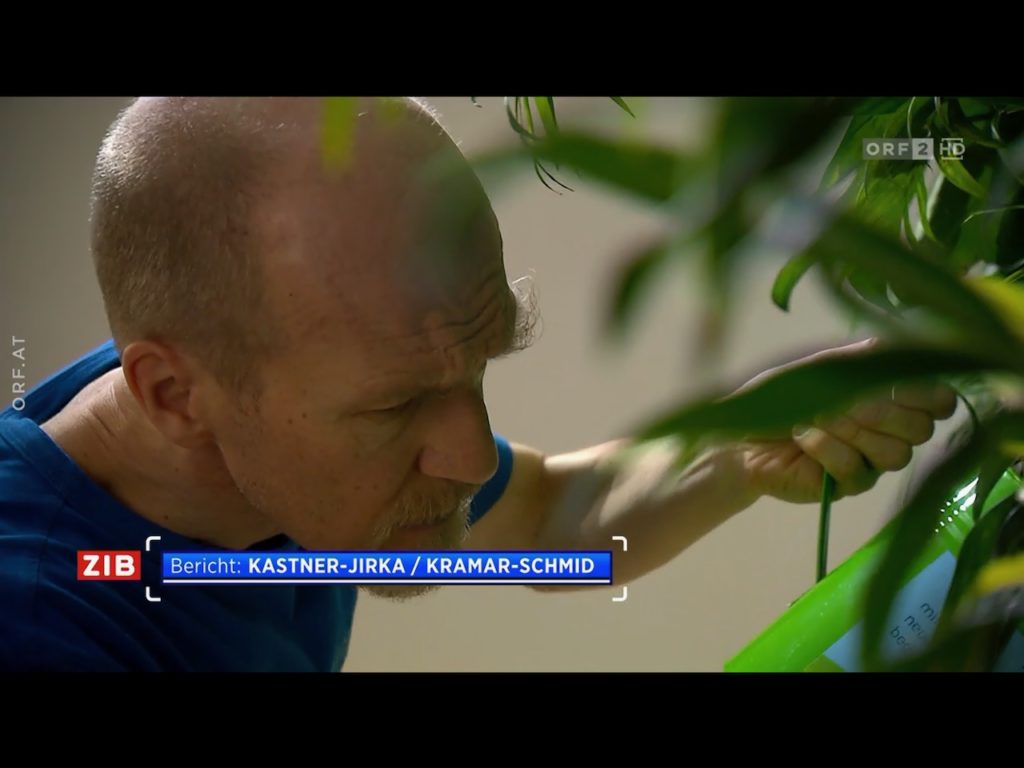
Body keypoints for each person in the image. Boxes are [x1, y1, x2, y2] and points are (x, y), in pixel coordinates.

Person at [0, 97, 957, 671]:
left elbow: (553, 520)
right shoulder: (42, 620)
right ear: (171, 395)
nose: (468, 456)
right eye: (395, 406)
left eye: (485, 359)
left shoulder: (241, 415)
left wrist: (747, 446)